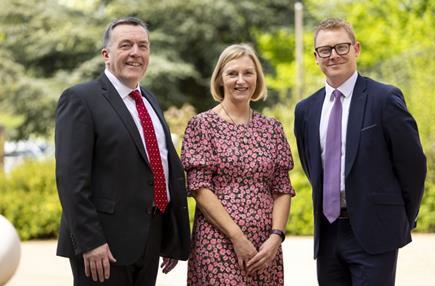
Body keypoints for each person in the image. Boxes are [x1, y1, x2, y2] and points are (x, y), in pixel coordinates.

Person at [55, 17, 190, 286]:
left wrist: (170, 234)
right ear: (106, 54)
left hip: (150, 236)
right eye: (126, 45)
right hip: (104, 245)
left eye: (143, 46)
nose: (135, 53)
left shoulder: (149, 99)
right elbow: (71, 180)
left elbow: (160, 164)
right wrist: (90, 241)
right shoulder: (80, 99)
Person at [294, 18, 427, 285]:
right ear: (315, 57)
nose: (334, 55)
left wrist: (401, 216)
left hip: (375, 232)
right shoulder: (306, 110)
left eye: (341, 47)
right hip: (328, 234)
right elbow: (311, 167)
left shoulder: (384, 99)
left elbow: (413, 166)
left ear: (356, 49)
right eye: (325, 50)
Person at [181, 43, 295, 285]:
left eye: (248, 73)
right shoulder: (202, 125)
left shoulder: (271, 128)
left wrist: (276, 237)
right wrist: (237, 237)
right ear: (220, 79)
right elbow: (200, 188)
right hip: (218, 242)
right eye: (232, 73)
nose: (241, 80)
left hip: (266, 246)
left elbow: (282, 188)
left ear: (257, 78)